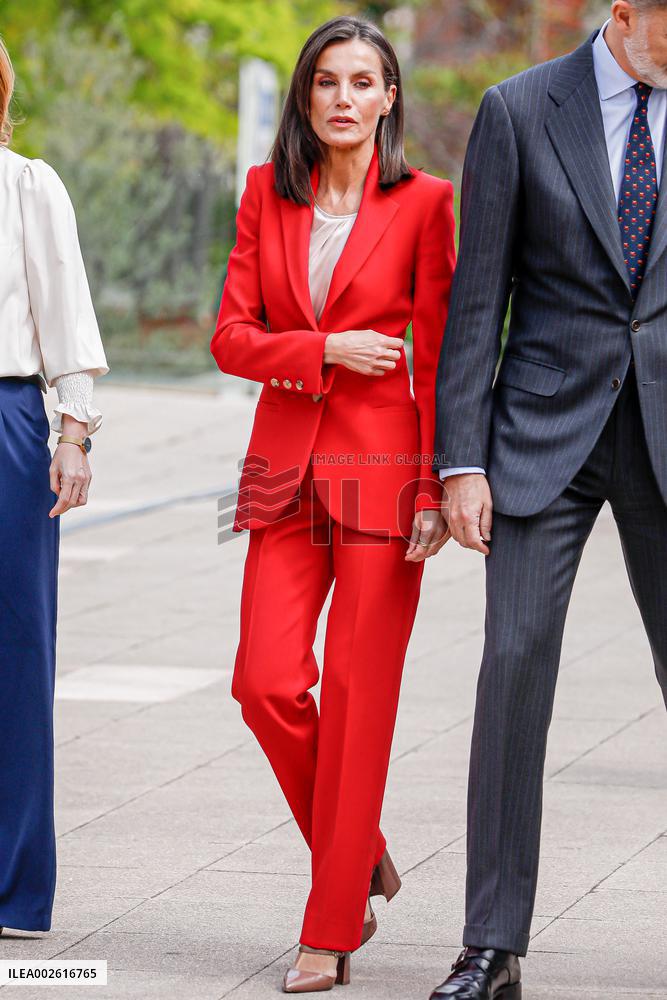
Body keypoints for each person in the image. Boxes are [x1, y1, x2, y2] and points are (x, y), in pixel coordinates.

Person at [211, 15, 455, 993]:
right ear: (306, 100)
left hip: (383, 473)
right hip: (281, 468)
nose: (345, 98)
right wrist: (321, 349)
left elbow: (440, 353)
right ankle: (357, 851)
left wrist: (440, 483)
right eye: (327, 82)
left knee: (358, 703)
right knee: (264, 684)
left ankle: (329, 922)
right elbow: (231, 338)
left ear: (389, 97)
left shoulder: (428, 203)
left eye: (364, 81)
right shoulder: (264, 197)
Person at [430, 2, 667, 997]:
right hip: (542, 437)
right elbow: (476, 296)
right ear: (625, 14)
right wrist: (460, 461)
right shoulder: (520, 109)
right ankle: (492, 946)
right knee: (513, 671)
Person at [0, 38, 108, 934]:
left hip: (4, 425)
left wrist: (73, 435)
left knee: (16, 651)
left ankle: (14, 888)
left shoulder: (27, 185)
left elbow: (65, 317)